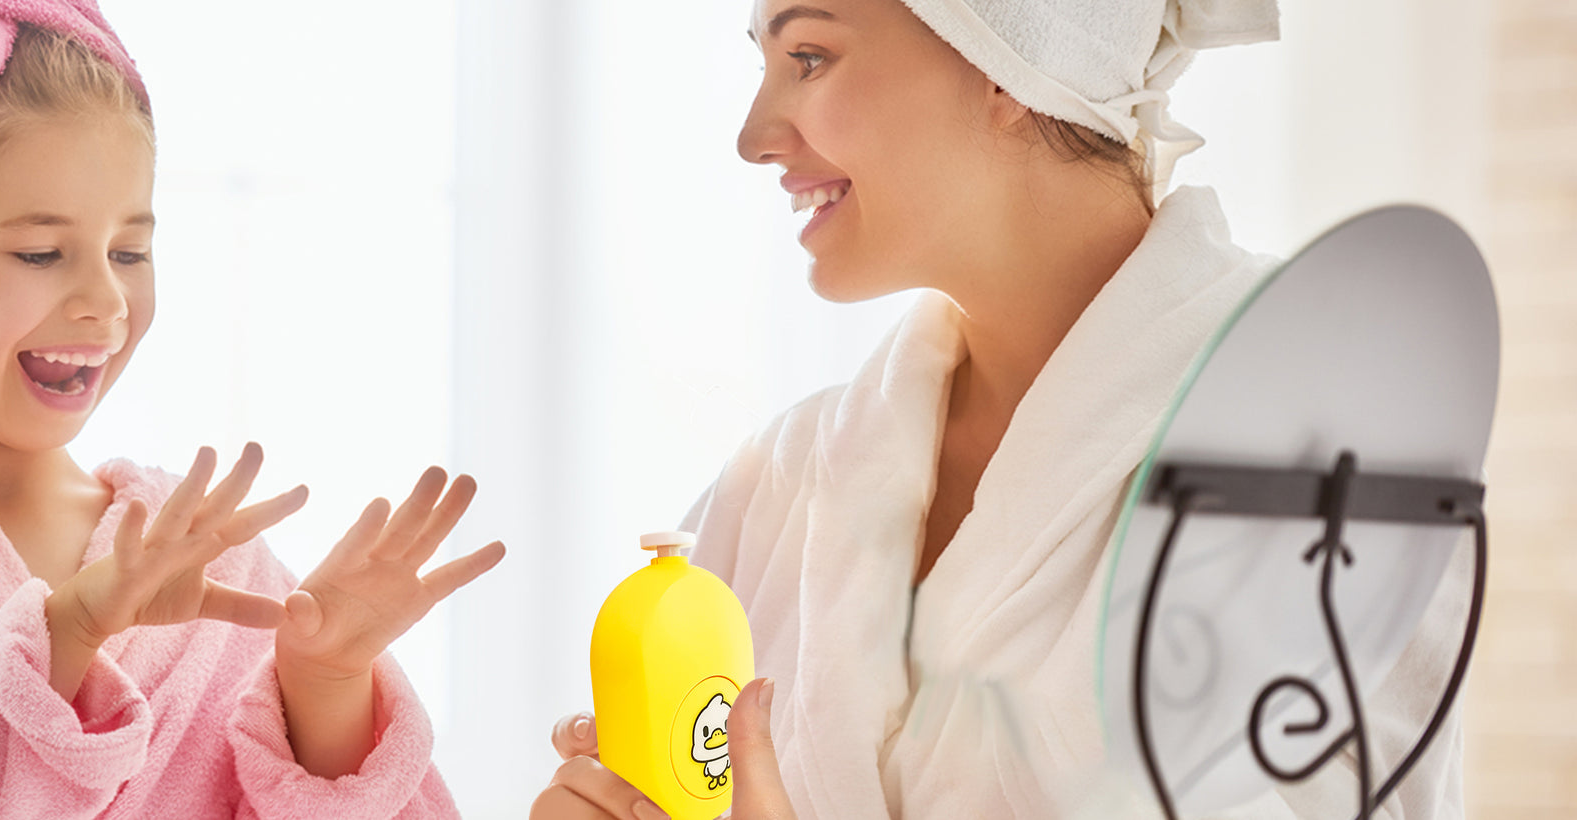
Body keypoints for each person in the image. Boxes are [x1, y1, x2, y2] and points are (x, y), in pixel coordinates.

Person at [534, 0, 1467, 817]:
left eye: (808, 57)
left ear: (1004, 65)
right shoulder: (782, 480)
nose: (754, 135)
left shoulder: (1318, 442)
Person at [0, 2, 503, 816]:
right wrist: (65, 632)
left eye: (130, 252)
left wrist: (326, 690)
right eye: (41, 253)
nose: (105, 302)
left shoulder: (210, 558)